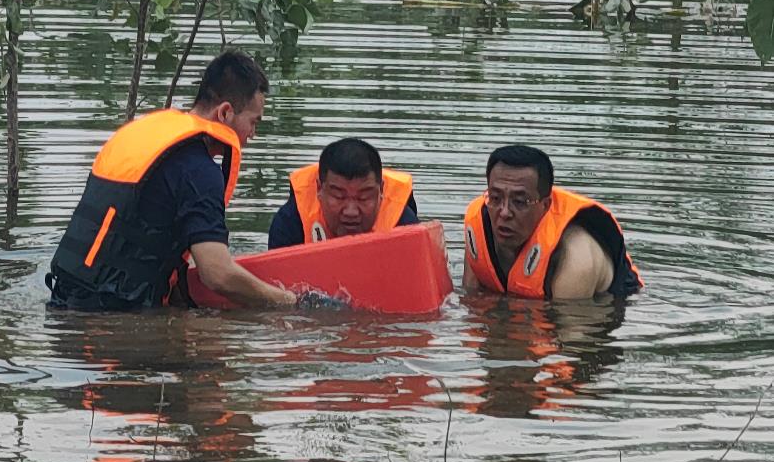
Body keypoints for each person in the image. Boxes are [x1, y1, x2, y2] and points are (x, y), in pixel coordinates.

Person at [46, 50, 296, 310]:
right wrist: (288, 301)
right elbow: (217, 274)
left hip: (64, 296)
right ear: (225, 113)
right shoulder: (200, 171)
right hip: (111, 317)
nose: (253, 134)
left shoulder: (141, 135)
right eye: (253, 122)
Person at [463, 145, 643, 300]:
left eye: (519, 202)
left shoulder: (575, 256)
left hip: (607, 308)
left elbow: (572, 335)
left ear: (545, 205)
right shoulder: (479, 227)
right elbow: (470, 300)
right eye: (495, 198)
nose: (504, 212)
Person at [268, 138, 419, 249]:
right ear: (319, 188)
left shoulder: (404, 225)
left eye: (363, 197)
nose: (351, 211)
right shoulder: (292, 222)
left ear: (381, 190)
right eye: (338, 196)